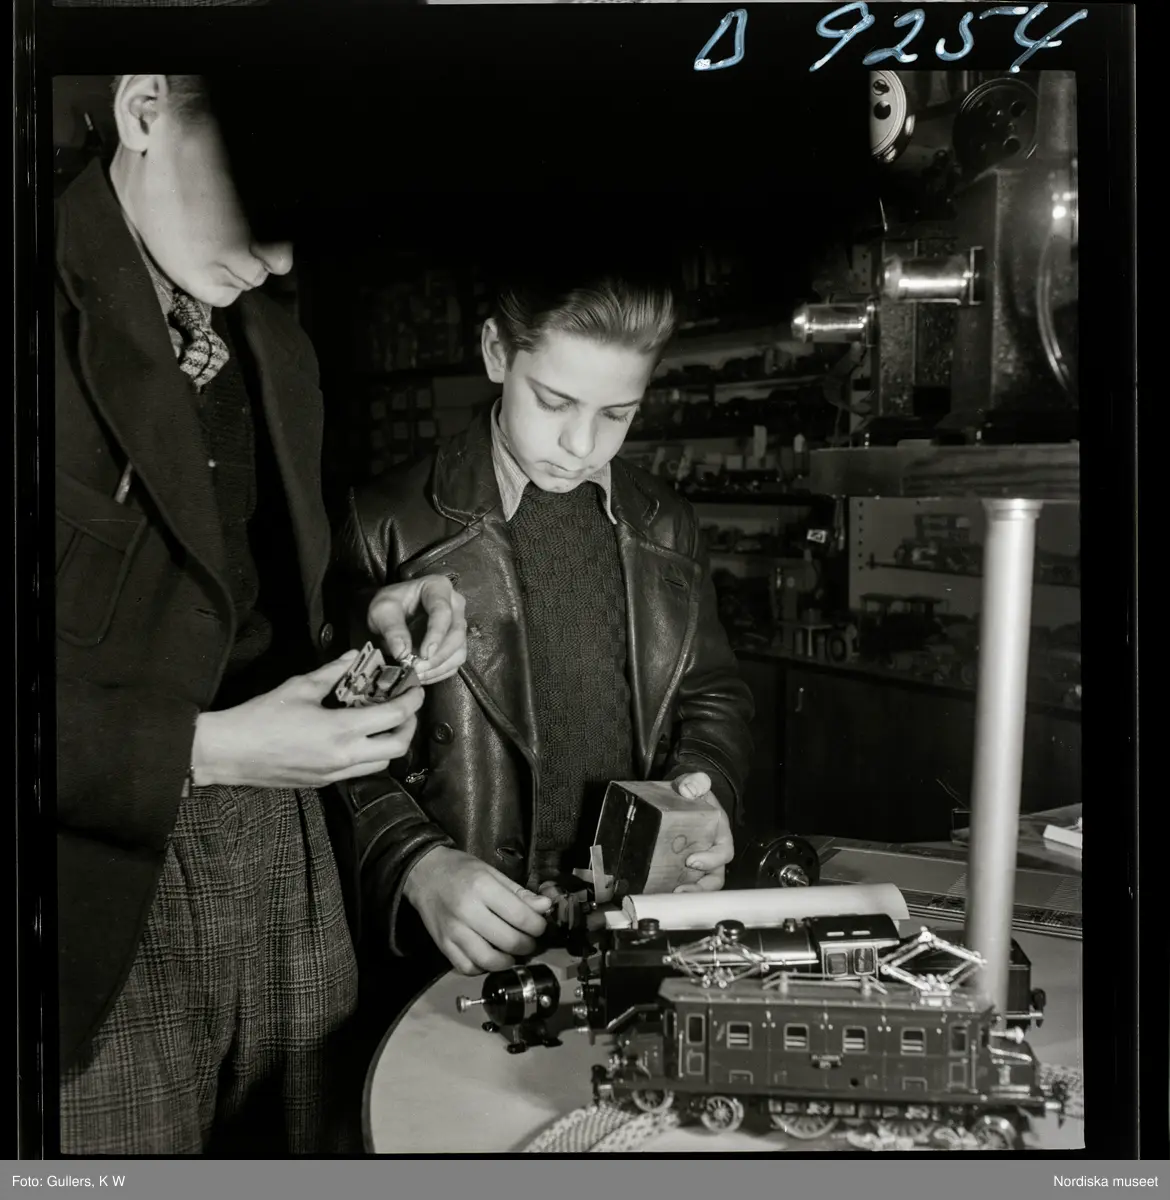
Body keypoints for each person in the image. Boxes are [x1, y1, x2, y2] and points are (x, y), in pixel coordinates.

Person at [55, 74, 467, 1155]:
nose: (281, 260)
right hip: (88, 880)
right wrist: (202, 750)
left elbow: (254, 594)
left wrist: (374, 613)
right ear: (145, 109)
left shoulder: (276, 341)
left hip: (290, 837)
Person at [334, 258, 755, 985]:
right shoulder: (383, 524)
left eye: (617, 414)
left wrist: (705, 790)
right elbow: (329, 746)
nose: (582, 445)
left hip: (634, 919)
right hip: (466, 937)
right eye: (555, 402)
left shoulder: (669, 523)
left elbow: (713, 695)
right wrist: (417, 864)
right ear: (498, 352)